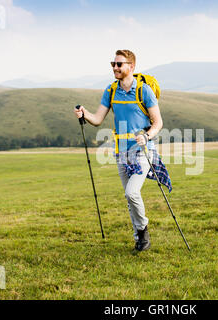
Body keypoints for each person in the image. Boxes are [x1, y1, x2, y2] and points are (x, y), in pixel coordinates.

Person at [74, 49, 170, 252]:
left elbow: (158, 122)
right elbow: (98, 119)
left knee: (132, 192)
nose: (115, 68)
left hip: (143, 151)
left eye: (119, 64)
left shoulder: (144, 91)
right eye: (113, 64)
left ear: (131, 67)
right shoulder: (111, 90)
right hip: (122, 153)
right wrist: (84, 113)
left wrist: (146, 135)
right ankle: (139, 239)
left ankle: (143, 231)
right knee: (129, 198)